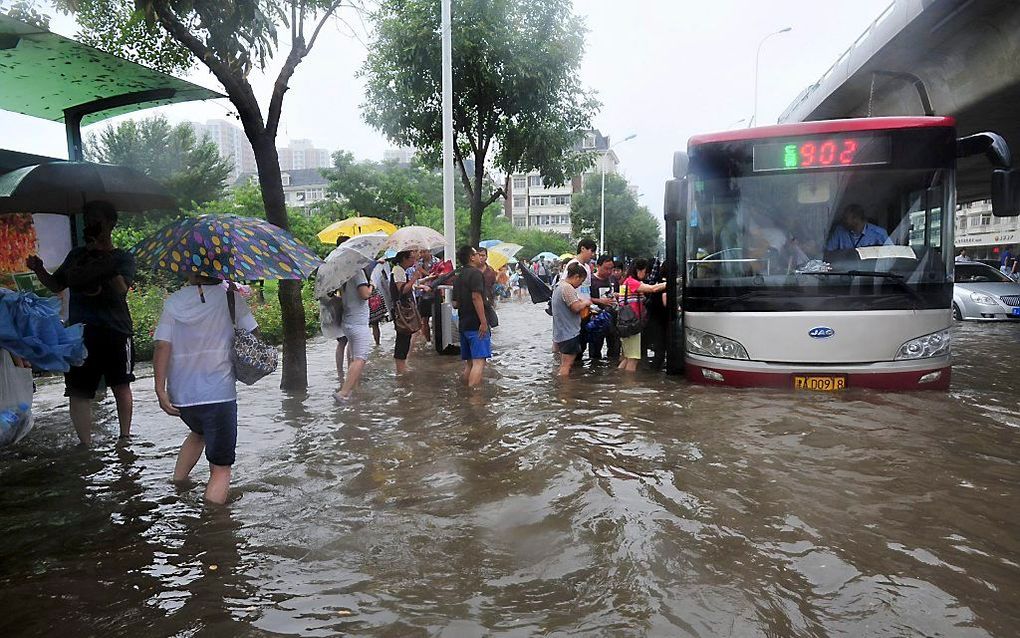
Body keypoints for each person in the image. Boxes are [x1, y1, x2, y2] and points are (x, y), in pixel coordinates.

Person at [26, 200, 136, 447]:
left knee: (121, 384)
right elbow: (57, 285)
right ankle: (86, 445)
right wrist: (39, 270)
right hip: (81, 332)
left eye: (97, 219)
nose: (91, 223)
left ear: (110, 223)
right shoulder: (76, 256)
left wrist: (105, 259)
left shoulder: (122, 257)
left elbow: (122, 290)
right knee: (78, 390)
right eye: (88, 219)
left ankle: (125, 438)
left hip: (116, 330)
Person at [153, 270, 258, 504]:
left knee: (199, 432)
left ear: (191, 270)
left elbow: (162, 346)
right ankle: (211, 525)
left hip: (183, 397)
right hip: (218, 395)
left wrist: (160, 390)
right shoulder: (230, 298)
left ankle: (178, 484)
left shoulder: (174, 301)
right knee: (221, 468)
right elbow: (254, 334)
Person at [452, 245, 491, 387]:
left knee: (469, 363)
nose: (479, 257)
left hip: (464, 323)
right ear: (471, 257)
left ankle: (464, 394)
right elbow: (476, 297)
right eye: (476, 254)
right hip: (476, 325)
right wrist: (483, 322)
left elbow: (455, 303)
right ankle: (474, 399)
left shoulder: (458, 276)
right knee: (479, 362)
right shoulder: (476, 274)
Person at [619, 259, 666, 372]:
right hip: (631, 325)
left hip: (626, 324)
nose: (646, 274)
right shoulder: (632, 282)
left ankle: (619, 382)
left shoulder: (628, 281)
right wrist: (670, 283)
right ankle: (628, 385)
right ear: (638, 270)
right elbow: (653, 289)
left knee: (626, 358)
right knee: (633, 359)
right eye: (645, 271)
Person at [552, 263, 589, 377]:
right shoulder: (567, 288)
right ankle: (565, 392)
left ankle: (561, 389)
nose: (580, 285)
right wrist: (586, 302)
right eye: (581, 281)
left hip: (561, 332)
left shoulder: (559, 286)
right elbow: (575, 307)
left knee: (563, 365)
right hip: (569, 334)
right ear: (576, 276)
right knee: (566, 367)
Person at [391, 250, 421, 374]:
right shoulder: (398, 270)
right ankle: (401, 369)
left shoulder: (401, 270)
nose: (413, 261)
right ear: (404, 258)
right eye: (411, 259)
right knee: (402, 337)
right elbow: (402, 290)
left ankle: (402, 366)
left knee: (405, 337)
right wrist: (414, 278)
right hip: (402, 310)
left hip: (403, 309)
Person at [588, 254, 621, 362]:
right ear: (598, 266)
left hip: (613, 318)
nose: (609, 271)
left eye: (611, 269)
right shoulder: (590, 280)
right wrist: (600, 301)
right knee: (595, 352)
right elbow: (584, 299)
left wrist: (617, 295)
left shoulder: (613, 279)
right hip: (597, 320)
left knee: (615, 349)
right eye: (606, 268)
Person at [825, 204, 890, 251]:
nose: (842, 221)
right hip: (845, 269)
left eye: (845, 218)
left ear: (856, 219)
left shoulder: (879, 234)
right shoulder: (839, 231)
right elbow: (828, 251)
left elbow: (891, 254)